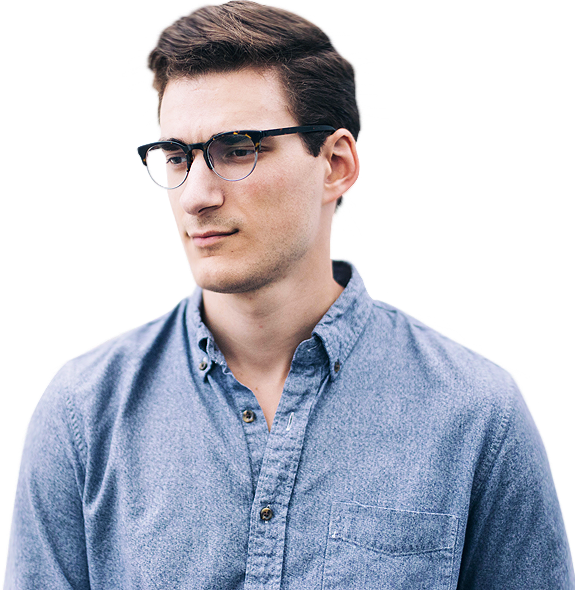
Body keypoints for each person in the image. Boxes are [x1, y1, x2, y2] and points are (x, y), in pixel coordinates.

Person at [4, 1, 574, 588]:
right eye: (175, 157)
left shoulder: (476, 414)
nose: (196, 196)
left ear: (335, 165)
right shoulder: (82, 414)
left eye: (238, 149)